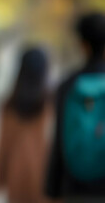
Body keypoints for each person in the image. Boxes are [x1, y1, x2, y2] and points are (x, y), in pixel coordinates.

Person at [45, 12, 105, 203]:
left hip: (74, 187)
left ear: (83, 45)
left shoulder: (68, 85)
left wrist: (52, 189)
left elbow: (59, 140)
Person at [0, 47, 52, 203]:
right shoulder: (50, 101)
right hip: (46, 174)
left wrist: (0, 178)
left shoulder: (10, 104)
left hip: (16, 173)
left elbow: (3, 144)